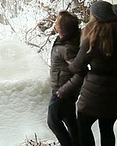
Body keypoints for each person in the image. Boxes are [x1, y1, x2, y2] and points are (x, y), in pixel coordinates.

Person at [69, 1, 117, 146]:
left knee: (83, 125)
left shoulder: (92, 40)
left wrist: (70, 63)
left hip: (95, 92)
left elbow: (77, 66)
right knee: (107, 128)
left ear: (96, 18)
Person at [47, 10, 83, 146]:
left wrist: (63, 90)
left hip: (62, 91)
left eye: (57, 21)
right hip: (63, 90)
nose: (55, 23)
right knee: (70, 120)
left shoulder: (68, 48)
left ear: (61, 27)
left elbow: (81, 72)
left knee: (53, 122)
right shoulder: (63, 40)